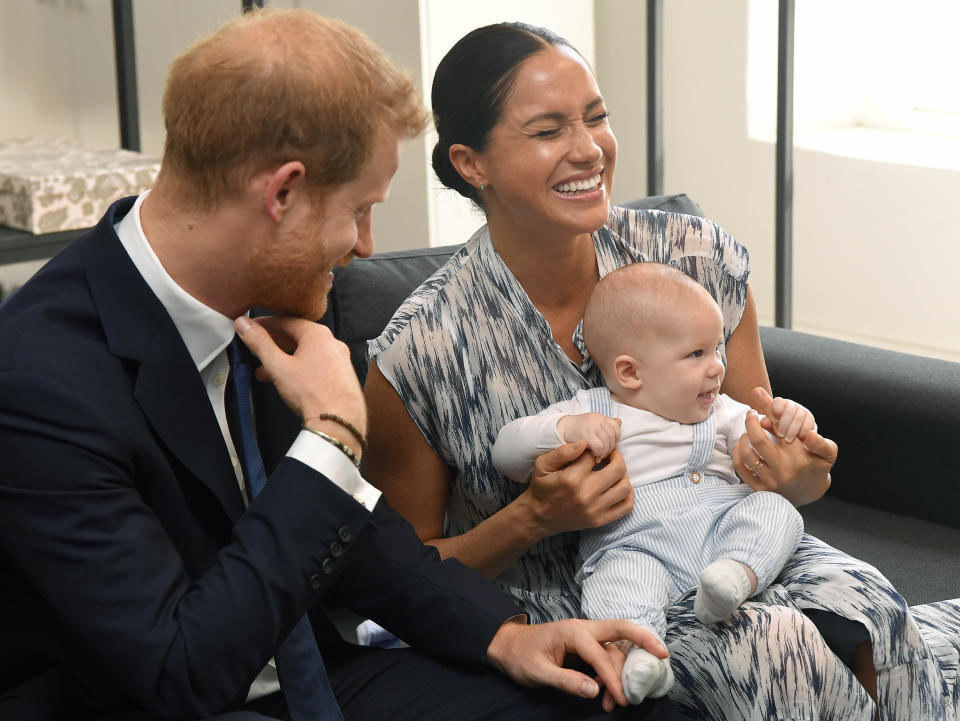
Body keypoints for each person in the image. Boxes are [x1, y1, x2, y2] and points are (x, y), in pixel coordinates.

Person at [0, 9, 683, 721]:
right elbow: (180, 670)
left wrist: (507, 634)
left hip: (316, 676)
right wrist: (329, 439)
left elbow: (362, 534)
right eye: (360, 209)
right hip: (154, 694)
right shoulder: (39, 384)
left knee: (615, 704)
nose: (365, 245)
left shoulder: (280, 291)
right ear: (283, 193)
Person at [363, 20, 954, 720]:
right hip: (600, 598)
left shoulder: (694, 257)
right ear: (472, 163)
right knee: (772, 642)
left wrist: (798, 471)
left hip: (745, 547)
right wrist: (532, 518)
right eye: (549, 130)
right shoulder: (419, 350)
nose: (589, 149)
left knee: (875, 604)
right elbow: (400, 578)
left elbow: (763, 449)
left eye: (596, 117)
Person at [493, 262, 815, 703]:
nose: (717, 369)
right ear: (629, 373)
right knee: (618, 582)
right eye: (696, 354)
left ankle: (735, 577)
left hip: (722, 529)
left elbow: (768, 442)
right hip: (635, 545)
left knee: (777, 511)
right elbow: (505, 452)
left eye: (717, 350)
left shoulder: (720, 411)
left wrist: (792, 422)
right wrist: (566, 429)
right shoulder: (593, 410)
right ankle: (643, 656)